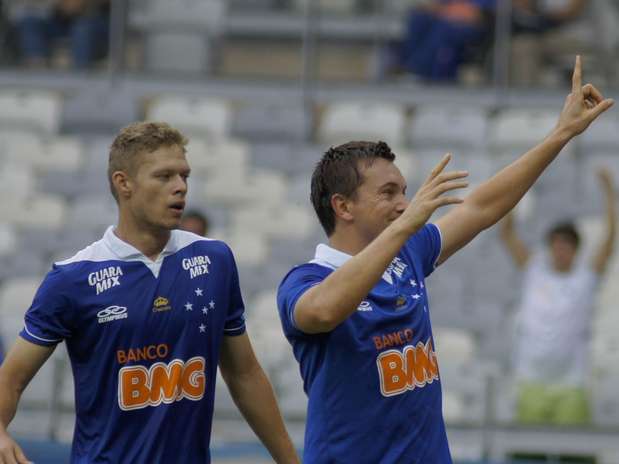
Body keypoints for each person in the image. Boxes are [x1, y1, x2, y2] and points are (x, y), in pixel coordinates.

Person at [276, 56, 613, 463]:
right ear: (343, 206)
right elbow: (325, 310)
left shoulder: (407, 255)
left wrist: (559, 134)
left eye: (404, 191)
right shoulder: (303, 282)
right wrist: (405, 229)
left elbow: (482, 207)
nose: (404, 204)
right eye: (388, 193)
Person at [0, 122, 299, 463]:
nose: (180, 188)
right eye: (164, 176)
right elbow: (12, 379)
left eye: (184, 176)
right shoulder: (73, 279)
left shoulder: (215, 260)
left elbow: (244, 373)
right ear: (123, 183)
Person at [500, 168, 616, 425]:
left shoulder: (585, 278)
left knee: (572, 453)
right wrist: (518, 184)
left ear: (576, 250)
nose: (561, 251)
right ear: (550, 247)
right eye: (557, 244)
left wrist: (609, 193)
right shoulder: (534, 271)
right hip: (531, 381)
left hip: (570, 385)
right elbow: (506, 233)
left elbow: (609, 240)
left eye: (567, 245)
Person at [393, 0, 496, 81]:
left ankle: (416, 71)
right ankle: (411, 69)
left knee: (443, 29)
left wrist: (449, 11)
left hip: (477, 27)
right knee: (418, 19)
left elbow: (477, 14)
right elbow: (438, 6)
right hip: (447, 19)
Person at [13, 0, 109, 69]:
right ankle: (36, 67)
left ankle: (80, 72)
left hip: (93, 20)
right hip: (59, 19)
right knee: (30, 21)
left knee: (82, 29)